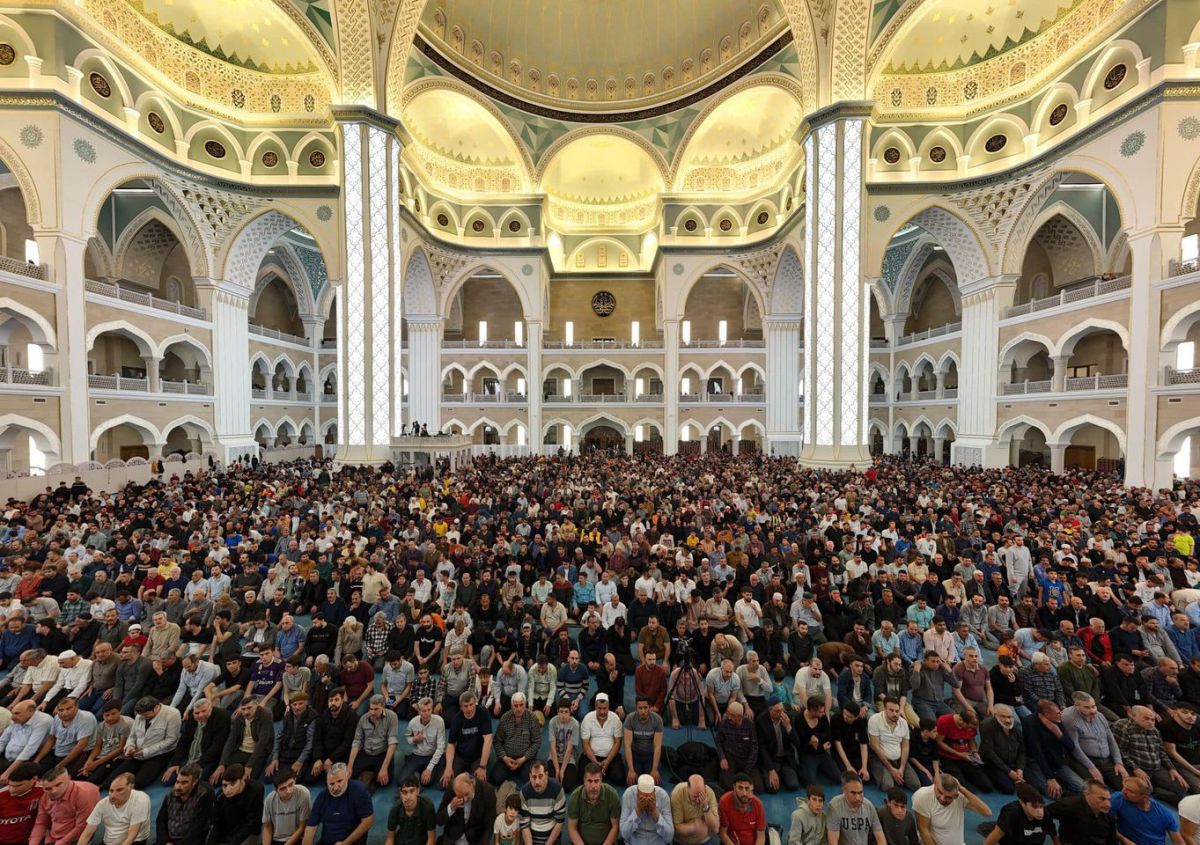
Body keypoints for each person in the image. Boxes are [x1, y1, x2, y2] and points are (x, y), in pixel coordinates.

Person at [106, 697, 180, 789]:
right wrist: (129, 746)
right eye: (141, 715)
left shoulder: (173, 714)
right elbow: (132, 736)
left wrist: (146, 751)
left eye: (146, 715)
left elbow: (171, 740)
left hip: (159, 754)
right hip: (137, 753)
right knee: (110, 782)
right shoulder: (140, 714)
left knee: (139, 784)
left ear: (156, 707)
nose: (143, 717)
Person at [1061, 693, 1127, 791]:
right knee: (1100, 790)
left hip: (1107, 760)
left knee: (1126, 785)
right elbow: (1075, 747)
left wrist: (1118, 762)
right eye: (1086, 707)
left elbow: (1111, 741)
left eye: (1093, 706)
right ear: (1076, 706)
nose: (1092, 711)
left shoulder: (1100, 716)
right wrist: (1091, 767)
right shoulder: (1070, 719)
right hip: (1086, 760)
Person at [301, 763, 374, 845]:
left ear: (347, 778)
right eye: (331, 784)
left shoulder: (359, 791)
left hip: (352, 842)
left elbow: (368, 821)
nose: (336, 787)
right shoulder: (322, 797)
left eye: (339, 781)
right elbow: (310, 829)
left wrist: (345, 843)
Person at [30, 764, 101, 845]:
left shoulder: (85, 794)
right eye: (48, 788)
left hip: (77, 837)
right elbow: (41, 823)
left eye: (58, 785)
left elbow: (83, 826)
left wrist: (60, 843)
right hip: (54, 835)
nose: (54, 791)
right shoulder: (45, 796)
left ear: (69, 778)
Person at [912, 773, 991, 845]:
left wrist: (962, 789)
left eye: (948, 797)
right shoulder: (922, 796)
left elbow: (987, 812)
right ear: (935, 784)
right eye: (939, 792)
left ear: (956, 796)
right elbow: (924, 830)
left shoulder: (960, 796)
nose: (942, 798)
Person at [77, 773, 151, 845]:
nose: (112, 796)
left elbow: (131, 837)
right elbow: (87, 833)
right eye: (111, 791)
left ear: (131, 787)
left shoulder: (141, 800)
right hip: (110, 841)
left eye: (119, 790)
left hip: (135, 841)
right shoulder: (103, 804)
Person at [1109, 776, 1184, 845]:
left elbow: (1178, 842)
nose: (1124, 792)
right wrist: (1124, 840)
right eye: (1124, 788)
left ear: (1144, 797)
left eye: (1130, 791)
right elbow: (1107, 825)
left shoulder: (1165, 814)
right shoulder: (1118, 799)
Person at [349, 693, 401, 789]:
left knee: (384, 781)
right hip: (365, 753)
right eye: (371, 709)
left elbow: (392, 743)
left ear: (383, 707)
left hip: (381, 754)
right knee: (349, 776)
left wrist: (384, 767)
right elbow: (356, 742)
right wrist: (350, 766)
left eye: (376, 709)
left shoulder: (392, 717)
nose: (372, 712)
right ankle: (369, 776)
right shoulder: (363, 719)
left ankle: (368, 777)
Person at [867, 696, 919, 790]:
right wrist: (891, 769)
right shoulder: (874, 720)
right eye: (891, 710)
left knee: (915, 785)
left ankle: (897, 774)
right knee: (888, 786)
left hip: (899, 759)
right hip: (880, 759)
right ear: (884, 708)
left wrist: (902, 768)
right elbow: (875, 746)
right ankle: (888, 774)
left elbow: (905, 747)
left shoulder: (903, 723)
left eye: (897, 711)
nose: (895, 714)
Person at [1046, 779, 1119, 845]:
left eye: (1109, 799)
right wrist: (1055, 839)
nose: (1108, 805)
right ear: (1086, 794)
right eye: (1101, 799)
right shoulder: (1069, 805)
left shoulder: (1108, 814)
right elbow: (1043, 814)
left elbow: (1112, 840)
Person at [208, 763, 265, 845]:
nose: (227, 790)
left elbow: (252, 823)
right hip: (228, 830)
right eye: (225, 785)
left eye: (232, 784)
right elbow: (217, 822)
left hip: (250, 831)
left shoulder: (256, 790)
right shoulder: (220, 795)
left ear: (242, 780)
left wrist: (231, 843)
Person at [442, 692, 492, 784]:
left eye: (471, 705)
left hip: (478, 756)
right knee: (445, 783)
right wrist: (448, 768)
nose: (469, 709)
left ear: (475, 703)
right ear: (461, 707)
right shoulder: (456, 719)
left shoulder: (483, 713)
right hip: (461, 755)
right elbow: (451, 744)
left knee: (480, 784)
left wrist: (482, 766)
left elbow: (488, 740)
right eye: (465, 706)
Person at [567, 763, 621, 845]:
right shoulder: (575, 796)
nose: (593, 786)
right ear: (584, 781)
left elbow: (615, 827)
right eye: (589, 781)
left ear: (601, 781)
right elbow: (572, 827)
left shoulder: (612, 795)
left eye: (596, 781)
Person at [756, 695, 801, 793]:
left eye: (782, 709)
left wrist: (788, 727)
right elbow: (762, 748)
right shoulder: (761, 721)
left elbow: (797, 743)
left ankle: (782, 774)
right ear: (770, 710)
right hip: (772, 759)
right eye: (778, 711)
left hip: (785, 758)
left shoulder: (787, 717)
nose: (781, 713)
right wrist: (771, 769)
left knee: (793, 785)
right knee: (772, 789)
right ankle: (773, 773)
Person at [979, 705, 1027, 795]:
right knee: (1009, 789)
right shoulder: (986, 726)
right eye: (1003, 717)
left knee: (1029, 781)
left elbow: (1022, 750)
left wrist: (1020, 768)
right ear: (996, 716)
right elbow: (989, 753)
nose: (1007, 720)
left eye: (1009, 717)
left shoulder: (1016, 726)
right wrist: (1008, 771)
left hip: (1012, 761)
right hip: (994, 763)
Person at [437, 773, 497, 845]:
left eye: (466, 794)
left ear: (472, 784)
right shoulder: (452, 787)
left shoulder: (488, 792)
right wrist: (451, 808)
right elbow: (439, 820)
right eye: (460, 796)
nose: (465, 799)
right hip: (452, 838)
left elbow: (489, 826)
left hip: (475, 840)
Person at [984, 784, 1055, 845]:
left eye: (1041, 806)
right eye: (1034, 807)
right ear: (1022, 803)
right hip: (1011, 834)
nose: (1040, 812)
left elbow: (1053, 834)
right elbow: (996, 835)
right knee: (994, 828)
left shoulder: (1045, 813)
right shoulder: (1011, 812)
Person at [826, 772, 885, 845]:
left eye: (860, 793)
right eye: (853, 793)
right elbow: (833, 842)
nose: (857, 798)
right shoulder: (835, 806)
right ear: (844, 791)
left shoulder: (868, 806)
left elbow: (881, 838)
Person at [580, 693, 625, 787]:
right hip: (592, 756)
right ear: (595, 707)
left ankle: (602, 770)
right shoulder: (587, 719)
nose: (602, 711)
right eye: (599, 708)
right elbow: (585, 744)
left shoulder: (615, 719)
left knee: (619, 778)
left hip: (610, 757)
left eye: (605, 708)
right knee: (581, 777)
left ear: (608, 707)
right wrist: (595, 762)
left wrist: (607, 761)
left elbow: (618, 742)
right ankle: (601, 771)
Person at [714, 701, 760, 791]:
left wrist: (747, 769)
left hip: (746, 759)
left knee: (758, 787)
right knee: (727, 785)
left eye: (731, 715)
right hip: (731, 758)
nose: (728, 717)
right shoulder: (724, 723)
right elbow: (718, 741)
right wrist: (722, 758)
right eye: (728, 714)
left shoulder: (750, 725)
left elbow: (754, 748)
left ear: (739, 716)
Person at [519, 760, 566, 845]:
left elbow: (560, 822)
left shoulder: (557, 790)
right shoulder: (524, 792)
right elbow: (524, 825)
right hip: (531, 839)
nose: (537, 782)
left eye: (540, 776)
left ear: (547, 775)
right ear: (530, 776)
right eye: (534, 777)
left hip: (552, 840)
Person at [620, 773, 674, 845]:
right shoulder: (629, 795)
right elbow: (624, 833)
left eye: (649, 796)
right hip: (636, 839)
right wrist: (638, 810)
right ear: (637, 793)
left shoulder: (663, 796)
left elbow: (669, 836)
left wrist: (655, 812)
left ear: (654, 793)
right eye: (642, 797)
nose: (646, 800)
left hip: (657, 838)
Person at [263, 770, 313, 845]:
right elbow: (267, 827)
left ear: (295, 780)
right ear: (276, 790)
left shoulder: (303, 794)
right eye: (283, 788)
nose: (288, 791)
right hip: (276, 839)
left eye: (290, 784)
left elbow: (302, 827)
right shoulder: (269, 799)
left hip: (296, 838)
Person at [0, 762, 44, 845]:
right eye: (10, 785)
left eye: (18, 786)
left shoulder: (44, 791)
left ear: (34, 779)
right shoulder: (1, 795)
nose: (12, 790)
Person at [623, 696, 663, 785]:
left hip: (650, 755)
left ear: (650, 707)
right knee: (631, 783)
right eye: (640, 708)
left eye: (645, 708)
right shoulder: (630, 719)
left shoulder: (657, 720)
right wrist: (631, 770)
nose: (643, 711)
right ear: (636, 707)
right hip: (635, 755)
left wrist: (654, 769)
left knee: (654, 783)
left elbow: (657, 746)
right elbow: (627, 746)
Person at [385, 776, 436, 845]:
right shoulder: (395, 808)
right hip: (402, 841)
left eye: (412, 791)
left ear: (418, 791)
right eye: (404, 792)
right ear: (400, 794)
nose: (408, 797)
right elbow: (390, 837)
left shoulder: (427, 806)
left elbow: (431, 838)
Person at [669, 774, 718, 845]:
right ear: (687, 788)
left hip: (704, 839)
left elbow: (715, 828)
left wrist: (706, 806)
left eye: (701, 795)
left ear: (705, 788)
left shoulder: (710, 792)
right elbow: (675, 828)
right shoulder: (677, 793)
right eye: (695, 796)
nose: (698, 800)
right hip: (683, 841)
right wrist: (693, 828)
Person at [549, 698, 581, 793]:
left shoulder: (575, 724)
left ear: (570, 711)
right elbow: (552, 747)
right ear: (557, 712)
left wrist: (562, 770)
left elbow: (569, 750)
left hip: (569, 758)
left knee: (567, 786)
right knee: (550, 783)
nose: (563, 715)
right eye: (561, 712)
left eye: (566, 712)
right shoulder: (552, 722)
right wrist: (557, 769)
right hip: (555, 757)